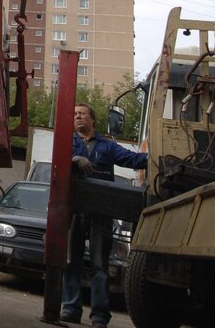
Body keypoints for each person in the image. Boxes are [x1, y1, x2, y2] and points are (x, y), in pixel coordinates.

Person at [60, 103, 147, 327]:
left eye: (82, 114)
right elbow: (58, 163)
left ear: (93, 119)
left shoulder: (107, 146)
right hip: (76, 210)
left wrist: (158, 156)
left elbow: (133, 159)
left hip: (101, 212)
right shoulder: (68, 143)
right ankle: (70, 308)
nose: (78, 117)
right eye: (75, 114)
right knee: (71, 262)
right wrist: (72, 160)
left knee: (100, 266)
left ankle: (99, 316)